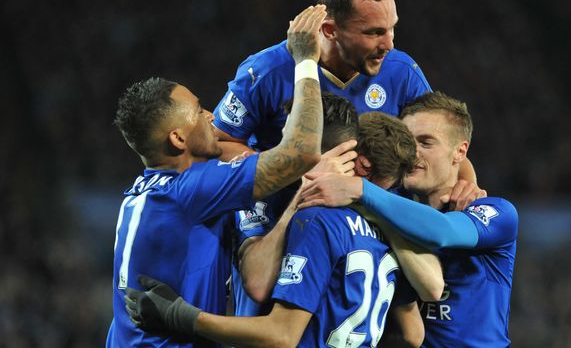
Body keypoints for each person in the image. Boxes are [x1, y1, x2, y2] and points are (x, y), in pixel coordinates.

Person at [106, 4, 327, 347]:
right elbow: (302, 152)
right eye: (198, 111)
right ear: (177, 139)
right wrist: (306, 61)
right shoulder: (191, 190)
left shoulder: (142, 193)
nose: (211, 115)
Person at [124, 112, 443, 347]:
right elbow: (414, 334)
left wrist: (182, 316)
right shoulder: (392, 228)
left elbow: (280, 331)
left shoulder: (316, 218)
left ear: (355, 163)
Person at [213, 0, 482, 210]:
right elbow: (220, 144)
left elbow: (444, 146)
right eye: (374, 32)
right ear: (330, 30)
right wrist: (290, 167)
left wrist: (466, 182)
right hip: (289, 214)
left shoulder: (401, 71)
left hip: (378, 223)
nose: (389, 44)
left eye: (392, 29)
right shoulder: (268, 70)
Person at [298, 92, 519, 348]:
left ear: (460, 151)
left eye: (426, 143)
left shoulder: (497, 213)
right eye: (408, 142)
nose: (412, 154)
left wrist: (361, 190)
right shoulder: (378, 213)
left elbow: (443, 231)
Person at [230, 92, 360, 317]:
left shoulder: (365, 203)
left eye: (287, 141)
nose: (279, 149)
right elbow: (257, 283)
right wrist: (306, 190)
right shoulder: (258, 191)